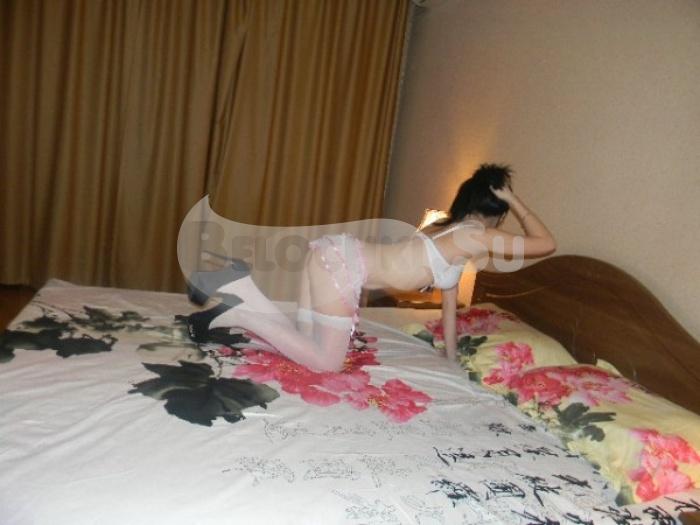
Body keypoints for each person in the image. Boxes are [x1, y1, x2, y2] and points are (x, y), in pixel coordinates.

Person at [185, 163, 556, 371]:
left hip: (335, 254)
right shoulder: (477, 235)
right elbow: (546, 244)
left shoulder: (447, 231)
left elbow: (449, 308)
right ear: (496, 209)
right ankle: (240, 311)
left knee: (303, 339)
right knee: (326, 364)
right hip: (344, 266)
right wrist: (515, 200)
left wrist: (450, 360)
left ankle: (239, 290)